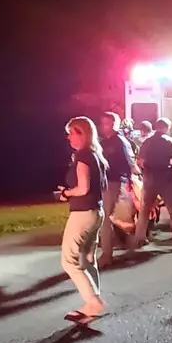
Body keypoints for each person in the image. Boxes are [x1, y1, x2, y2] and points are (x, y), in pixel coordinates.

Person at [55, 116, 110, 323]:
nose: (68, 137)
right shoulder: (96, 155)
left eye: (71, 132)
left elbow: (83, 188)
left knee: (69, 261)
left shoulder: (83, 156)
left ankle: (93, 302)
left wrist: (67, 193)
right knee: (87, 259)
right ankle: (93, 302)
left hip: (82, 214)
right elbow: (98, 188)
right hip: (96, 212)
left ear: (81, 133)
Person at [134, 118, 172, 249]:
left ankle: (139, 239)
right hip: (165, 179)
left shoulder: (147, 141)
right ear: (167, 127)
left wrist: (147, 172)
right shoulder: (169, 141)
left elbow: (140, 161)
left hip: (149, 178)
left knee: (144, 209)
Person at [97, 112, 137, 267]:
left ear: (116, 124)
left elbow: (130, 163)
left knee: (105, 219)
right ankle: (127, 243)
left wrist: (129, 181)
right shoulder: (104, 142)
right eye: (102, 123)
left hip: (114, 183)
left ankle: (107, 256)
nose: (104, 126)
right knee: (111, 218)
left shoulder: (120, 141)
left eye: (108, 123)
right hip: (105, 182)